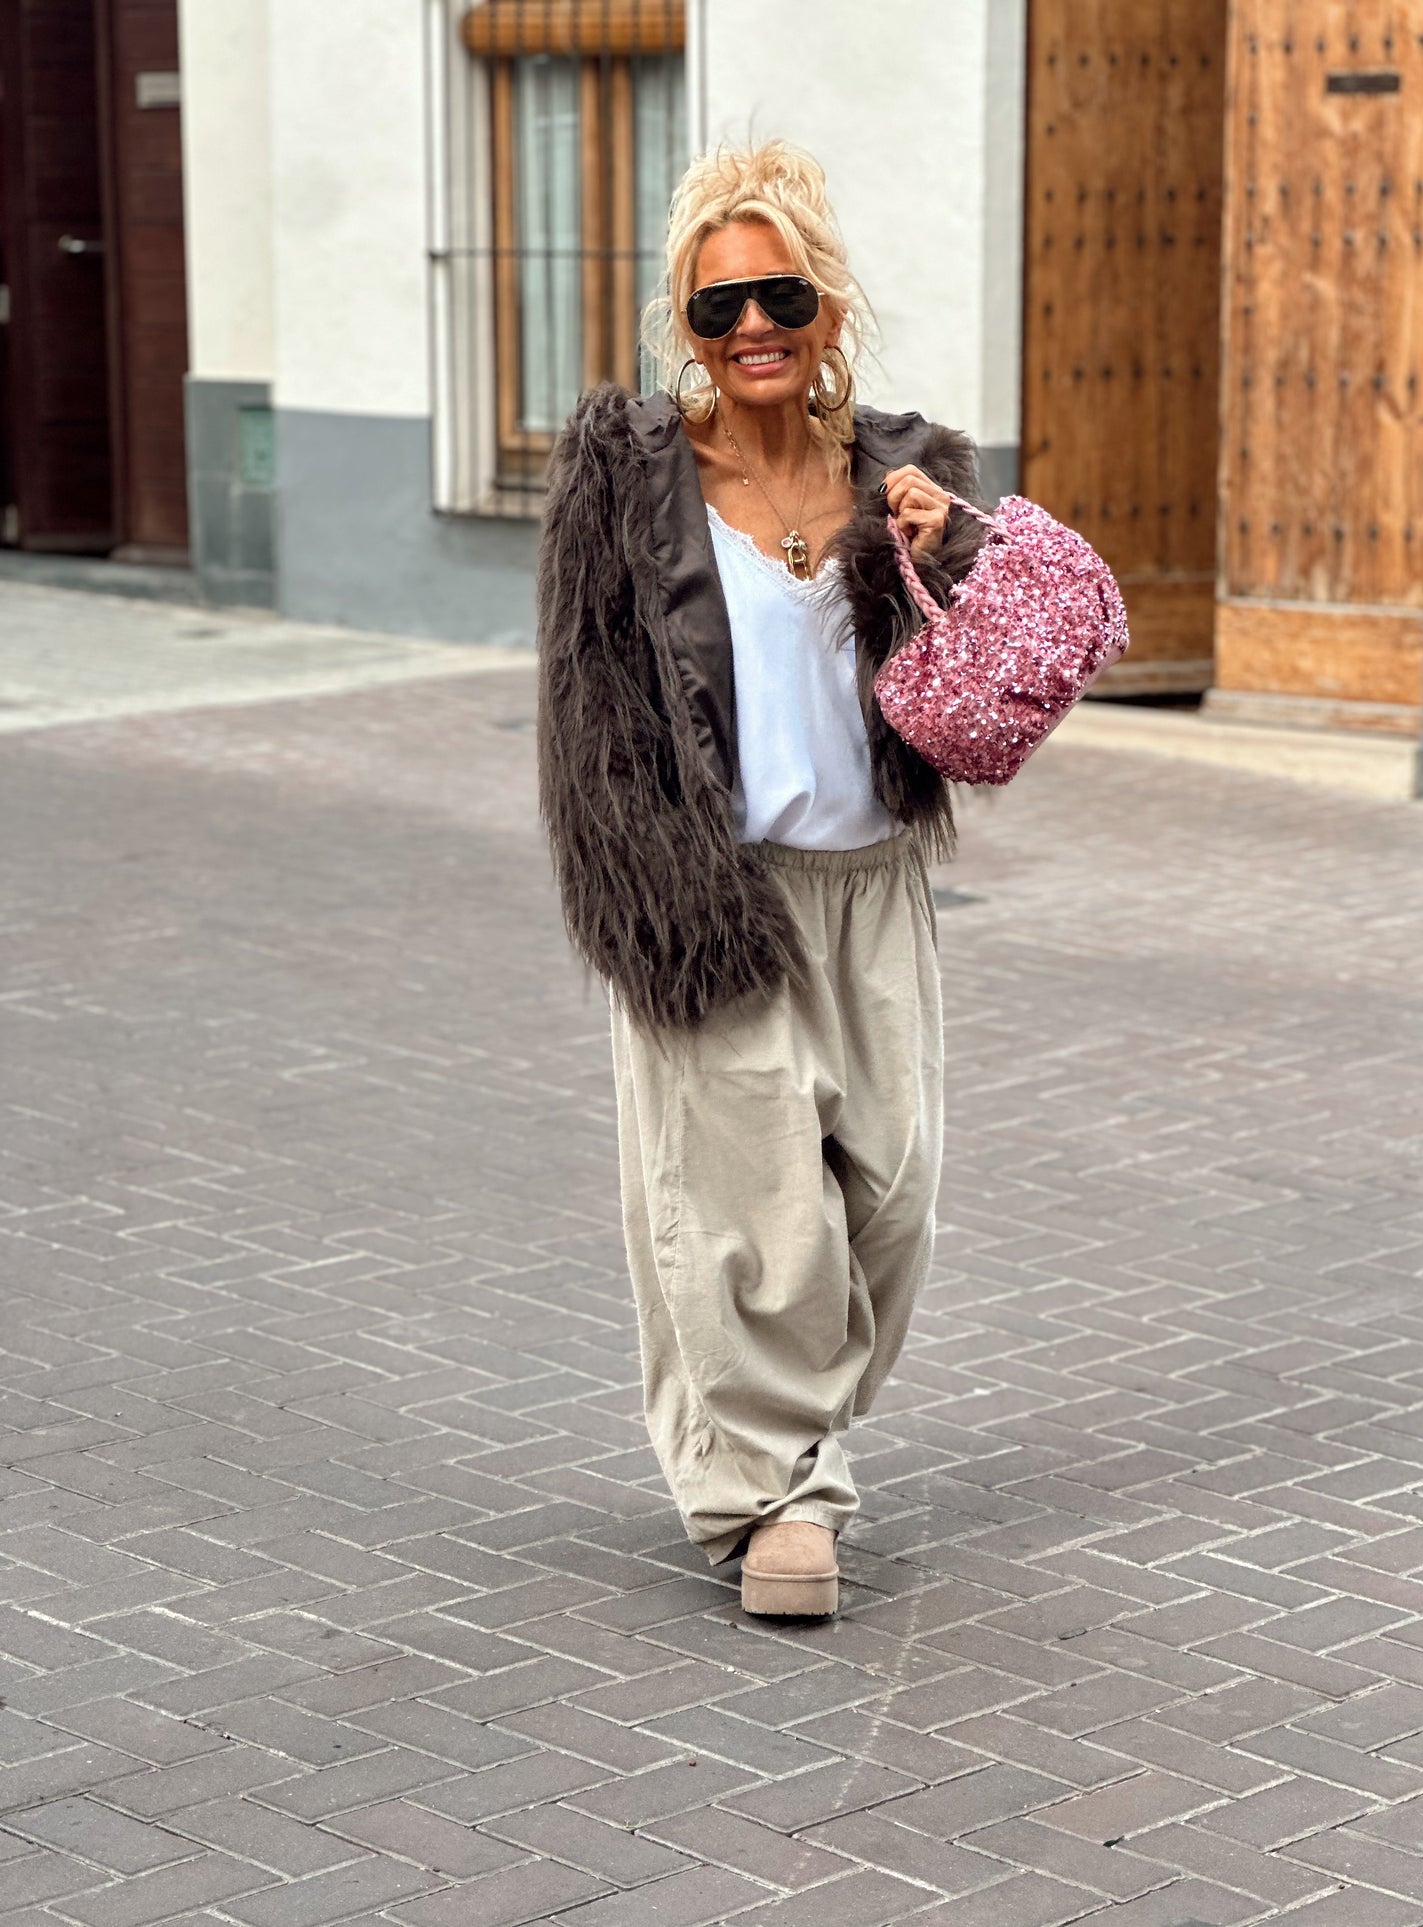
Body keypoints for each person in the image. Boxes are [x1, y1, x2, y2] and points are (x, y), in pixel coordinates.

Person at [535, 140, 983, 1618]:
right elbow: (587, 711)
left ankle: (784, 1434)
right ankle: (778, 1495)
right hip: (712, 886)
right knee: (745, 1215)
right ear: (687, 324)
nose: (749, 329)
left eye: (777, 293)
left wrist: (952, 550)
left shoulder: (903, 472)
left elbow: (996, 672)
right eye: (716, 306)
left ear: (826, 302)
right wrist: (652, 904)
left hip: (874, 886)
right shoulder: (636, 483)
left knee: (889, 1201)